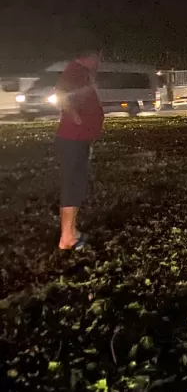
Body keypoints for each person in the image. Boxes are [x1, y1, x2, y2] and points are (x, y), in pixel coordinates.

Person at [55, 49, 105, 251]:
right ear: (90, 55)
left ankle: (72, 232)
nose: (100, 62)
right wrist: (75, 117)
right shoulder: (74, 70)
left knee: (76, 183)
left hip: (79, 138)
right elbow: (60, 94)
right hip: (73, 138)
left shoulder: (80, 72)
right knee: (72, 183)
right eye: (99, 57)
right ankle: (67, 237)